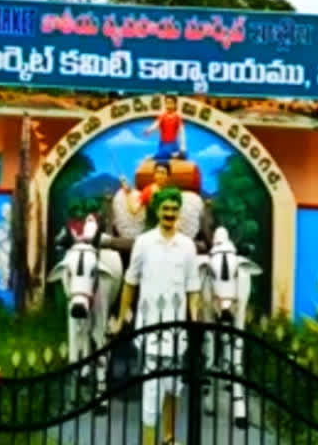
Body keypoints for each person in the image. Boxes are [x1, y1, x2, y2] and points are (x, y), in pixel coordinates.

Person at [108, 187, 201, 445]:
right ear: (156, 210)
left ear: (178, 211)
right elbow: (130, 282)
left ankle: (169, 440)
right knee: (150, 394)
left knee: (173, 389)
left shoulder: (187, 246)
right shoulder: (144, 242)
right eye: (165, 208)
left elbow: (193, 289)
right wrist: (120, 318)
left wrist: (194, 321)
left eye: (174, 209)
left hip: (177, 333)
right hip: (149, 330)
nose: (170, 213)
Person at [120, 160, 172, 228]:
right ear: (154, 174)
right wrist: (128, 193)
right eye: (157, 172)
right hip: (151, 231)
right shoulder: (148, 190)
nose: (159, 175)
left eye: (162, 173)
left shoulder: (172, 193)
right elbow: (134, 210)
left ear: (168, 176)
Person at [144, 95, 187, 161]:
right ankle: (157, 156)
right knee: (164, 155)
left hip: (173, 143)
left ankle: (160, 156)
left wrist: (183, 147)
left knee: (183, 155)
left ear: (175, 104)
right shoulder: (163, 116)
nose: (169, 105)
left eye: (171, 103)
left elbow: (181, 133)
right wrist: (149, 130)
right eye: (167, 103)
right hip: (163, 144)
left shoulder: (177, 117)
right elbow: (156, 124)